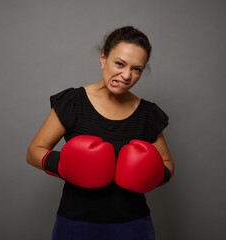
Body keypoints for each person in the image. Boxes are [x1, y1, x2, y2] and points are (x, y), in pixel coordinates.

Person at [26, 26, 175, 240]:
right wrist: (65, 164)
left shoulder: (148, 113)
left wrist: (153, 173)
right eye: (120, 64)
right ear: (103, 58)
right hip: (76, 223)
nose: (126, 75)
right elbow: (33, 152)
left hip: (134, 225)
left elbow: (168, 163)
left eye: (137, 69)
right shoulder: (74, 102)